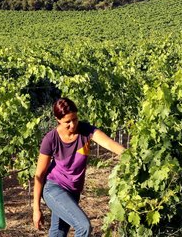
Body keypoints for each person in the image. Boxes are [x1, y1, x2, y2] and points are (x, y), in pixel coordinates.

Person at [33, 97, 125, 237]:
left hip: (73, 190)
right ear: (58, 120)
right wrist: (36, 209)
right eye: (67, 122)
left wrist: (130, 157)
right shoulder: (51, 139)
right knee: (83, 226)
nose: (72, 124)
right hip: (53, 188)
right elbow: (39, 175)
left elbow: (109, 144)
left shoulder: (85, 131)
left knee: (59, 232)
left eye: (74, 119)